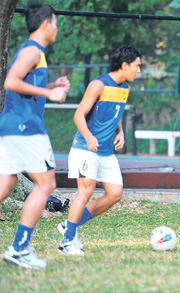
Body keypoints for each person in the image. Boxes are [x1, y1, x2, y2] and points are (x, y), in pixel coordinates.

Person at [0, 4, 70, 269]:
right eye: (55, 22)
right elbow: (11, 82)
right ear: (46, 24)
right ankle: (19, 249)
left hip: (10, 126)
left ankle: (19, 248)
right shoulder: (32, 50)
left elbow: (25, 87)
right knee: (46, 185)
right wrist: (49, 94)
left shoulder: (33, 52)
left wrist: (52, 86)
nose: (57, 27)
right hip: (25, 128)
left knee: (5, 185)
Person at [57, 45, 141, 255]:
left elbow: (115, 111)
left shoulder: (125, 88)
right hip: (85, 148)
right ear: (124, 65)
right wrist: (89, 136)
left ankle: (70, 226)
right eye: (137, 66)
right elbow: (78, 115)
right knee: (85, 191)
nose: (138, 70)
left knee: (115, 194)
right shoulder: (98, 85)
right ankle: (66, 243)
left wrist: (120, 132)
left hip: (105, 151)